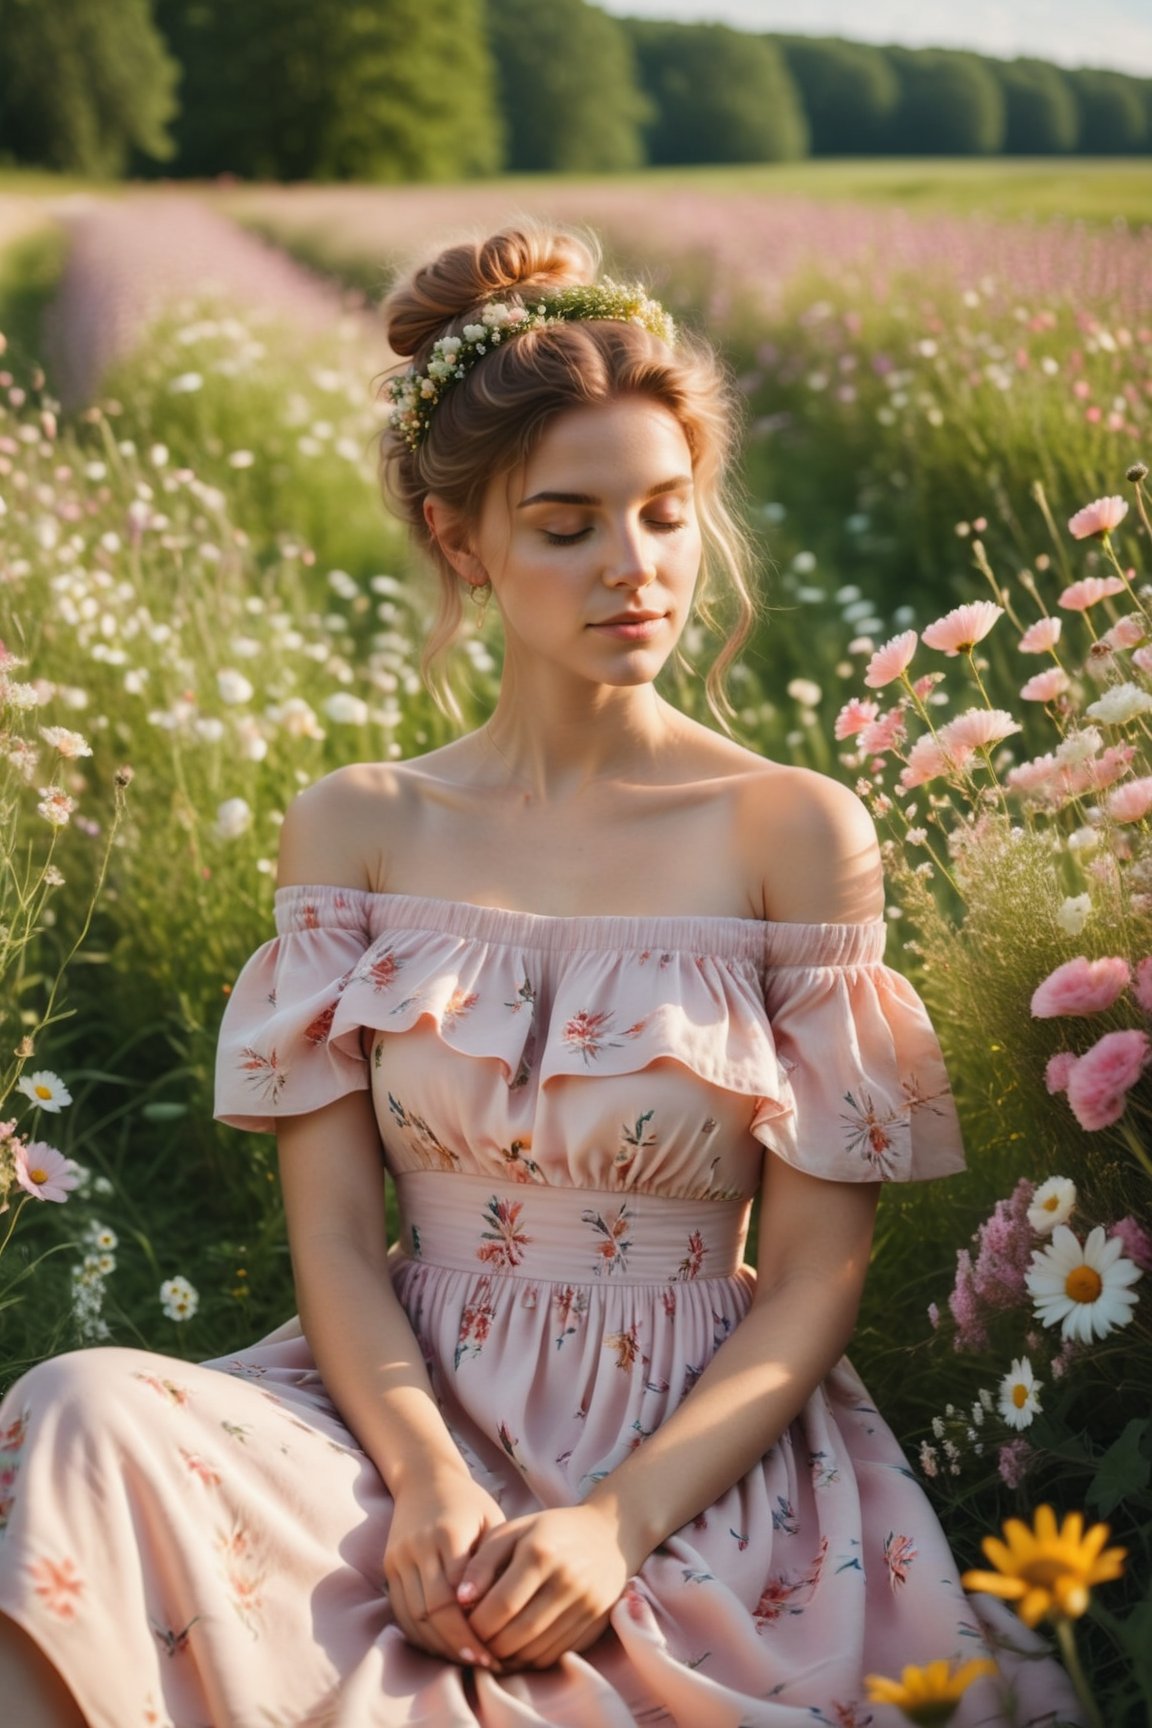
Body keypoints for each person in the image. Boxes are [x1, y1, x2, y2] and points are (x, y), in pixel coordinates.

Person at [0, 223, 1083, 1728]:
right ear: (464, 544)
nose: (635, 571)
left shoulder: (788, 832)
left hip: (692, 1456)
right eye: (567, 525)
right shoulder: (360, 828)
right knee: (75, 1413)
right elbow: (332, 1239)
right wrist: (429, 1484)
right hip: (393, 1421)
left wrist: (612, 1524)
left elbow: (819, 1276)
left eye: (663, 512)